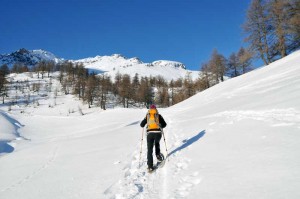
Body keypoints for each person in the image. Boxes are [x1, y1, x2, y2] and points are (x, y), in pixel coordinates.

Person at [140, 104, 167, 171]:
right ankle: (158, 155)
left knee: (149, 150)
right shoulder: (158, 115)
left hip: (149, 134)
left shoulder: (148, 116)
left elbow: (141, 124)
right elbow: (164, 124)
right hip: (158, 133)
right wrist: (160, 125)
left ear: (150, 109)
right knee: (157, 144)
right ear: (155, 109)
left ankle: (150, 166)